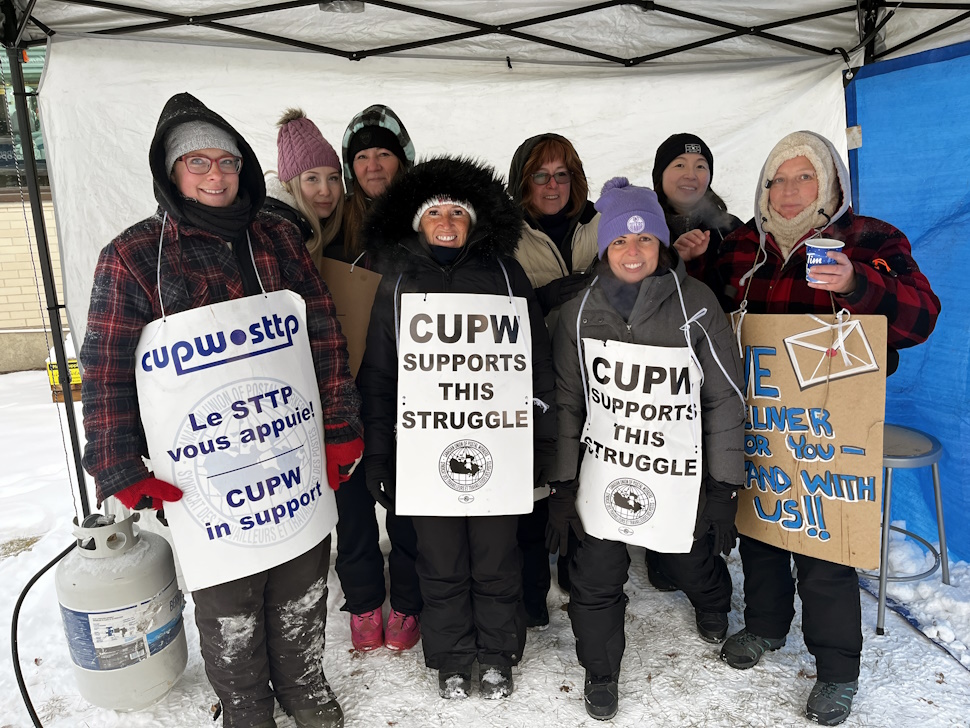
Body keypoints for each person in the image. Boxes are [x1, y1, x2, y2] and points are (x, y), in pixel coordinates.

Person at [79, 93, 364, 728]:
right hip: (207, 464)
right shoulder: (132, 256)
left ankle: (303, 682)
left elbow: (323, 332)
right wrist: (117, 465)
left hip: (288, 447)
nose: (215, 175)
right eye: (197, 163)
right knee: (229, 591)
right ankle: (246, 703)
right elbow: (103, 369)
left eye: (226, 160)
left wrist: (341, 427)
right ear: (170, 173)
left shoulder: (277, 238)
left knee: (300, 571)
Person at [717, 130, 941, 726]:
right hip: (762, 421)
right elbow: (703, 309)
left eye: (804, 177)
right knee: (762, 528)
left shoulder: (869, 239)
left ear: (831, 184)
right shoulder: (741, 245)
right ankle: (765, 626)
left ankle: (837, 669)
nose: (789, 192)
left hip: (830, 427)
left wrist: (857, 285)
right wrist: (689, 255)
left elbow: (923, 316)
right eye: (777, 180)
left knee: (826, 545)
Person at [358, 156, 557, 699]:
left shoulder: (505, 273)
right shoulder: (395, 281)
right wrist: (379, 453)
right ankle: (449, 656)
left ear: (474, 220)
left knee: (496, 559)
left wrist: (537, 435)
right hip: (422, 453)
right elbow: (378, 373)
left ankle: (497, 654)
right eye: (435, 212)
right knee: (440, 562)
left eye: (457, 212)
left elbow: (537, 362)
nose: (446, 221)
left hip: (498, 445)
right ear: (417, 221)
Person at [547, 178, 744, 721]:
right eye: (619, 243)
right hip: (605, 470)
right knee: (595, 575)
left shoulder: (696, 303)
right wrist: (563, 483)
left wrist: (725, 484)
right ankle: (601, 669)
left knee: (690, 556)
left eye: (644, 241)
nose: (632, 253)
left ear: (660, 244)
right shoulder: (579, 312)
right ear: (605, 248)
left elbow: (724, 395)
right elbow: (566, 403)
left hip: (677, 471)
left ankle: (713, 603)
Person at [266, 108, 422, 653]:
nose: (374, 164)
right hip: (341, 388)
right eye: (362, 155)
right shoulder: (328, 229)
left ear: (403, 159)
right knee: (350, 507)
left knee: (408, 502)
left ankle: (406, 601)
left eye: (384, 152)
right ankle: (363, 603)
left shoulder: (424, 212)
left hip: (412, 388)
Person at [643, 132, 744, 590]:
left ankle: (697, 557)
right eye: (679, 165)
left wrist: (701, 266)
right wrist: (675, 262)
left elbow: (736, 299)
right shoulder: (642, 224)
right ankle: (657, 548)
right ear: (660, 175)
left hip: (712, 364)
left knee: (702, 455)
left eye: (700, 166)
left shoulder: (732, 228)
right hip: (655, 370)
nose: (690, 174)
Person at [507, 132, 600, 626]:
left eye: (562, 174)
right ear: (523, 182)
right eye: (540, 175)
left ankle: (576, 564)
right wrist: (547, 297)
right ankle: (532, 585)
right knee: (542, 472)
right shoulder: (506, 233)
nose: (552, 184)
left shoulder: (600, 223)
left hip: (596, 370)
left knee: (588, 466)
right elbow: (496, 305)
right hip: (534, 373)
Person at [264, 109, 345, 274]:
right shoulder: (277, 232)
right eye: (312, 179)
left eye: (333, 178)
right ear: (291, 184)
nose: (325, 191)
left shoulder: (318, 226)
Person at [341, 103, 415, 256]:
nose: (373, 167)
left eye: (383, 154)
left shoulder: (427, 217)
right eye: (362, 157)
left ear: (402, 162)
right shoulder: (336, 221)